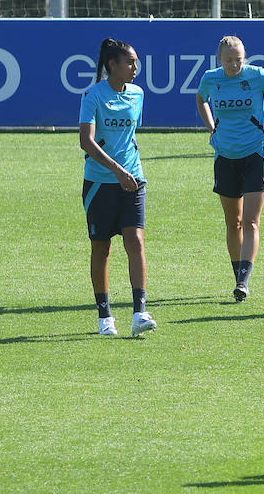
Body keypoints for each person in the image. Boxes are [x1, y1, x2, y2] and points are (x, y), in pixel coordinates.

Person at [196, 36, 264, 302]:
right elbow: (201, 99)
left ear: (245, 57)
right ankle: (237, 274)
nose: (234, 65)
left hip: (254, 155)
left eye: (239, 60)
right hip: (225, 157)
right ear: (219, 59)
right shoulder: (211, 78)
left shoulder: (257, 76)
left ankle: (243, 281)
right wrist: (211, 129)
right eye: (229, 60)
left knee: (251, 221)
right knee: (234, 222)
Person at [79, 38, 157, 337]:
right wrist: (117, 170)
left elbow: (130, 137)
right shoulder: (92, 96)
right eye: (130, 62)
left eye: (135, 62)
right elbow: (86, 141)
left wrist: (129, 171)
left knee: (135, 242)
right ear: (112, 65)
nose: (135, 67)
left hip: (134, 180)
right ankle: (105, 318)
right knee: (101, 248)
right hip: (100, 183)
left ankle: (139, 312)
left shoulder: (137, 94)